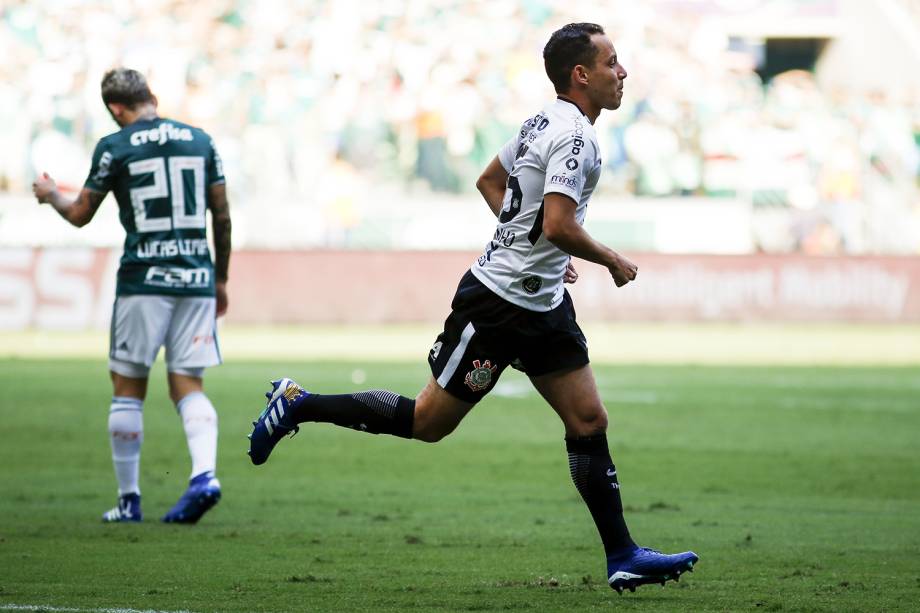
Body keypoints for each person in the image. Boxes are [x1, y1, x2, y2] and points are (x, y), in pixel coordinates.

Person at [247, 23, 698, 592]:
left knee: (588, 420)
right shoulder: (574, 136)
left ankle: (622, 554)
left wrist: (535, 249)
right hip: (498, 306)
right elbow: (555, 222)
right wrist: (608, 259)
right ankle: (298, 403)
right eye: (613, 62)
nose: (623, 73)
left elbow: (493, 182)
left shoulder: (544, 121)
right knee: (427, 423)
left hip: (544, 306)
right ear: (581, 74)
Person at [33, 68, 231, 524]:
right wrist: (219, 279)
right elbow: (221, 215)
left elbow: (81, 213)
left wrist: (50, 195)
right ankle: (205, 475)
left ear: (116, 110)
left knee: (127, 388)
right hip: (196, 277)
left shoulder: (115, 145)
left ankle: (129, 502)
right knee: (188, 384)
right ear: (153, 98)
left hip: (144, 280)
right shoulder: (201, 141)